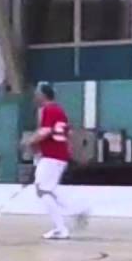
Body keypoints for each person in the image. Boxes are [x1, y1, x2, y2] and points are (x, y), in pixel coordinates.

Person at [27, 82, 89, 240]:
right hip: (56, 156)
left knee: (43, 190)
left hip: (52, 156)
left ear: (43, 95)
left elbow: (45, 131)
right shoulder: (59, 111)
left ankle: (61, 228)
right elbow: (68, 134)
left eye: (37, 93)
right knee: (46, 190)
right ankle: (75, 210)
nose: (35, 96)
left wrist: (29, 141)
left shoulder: (48, 110)